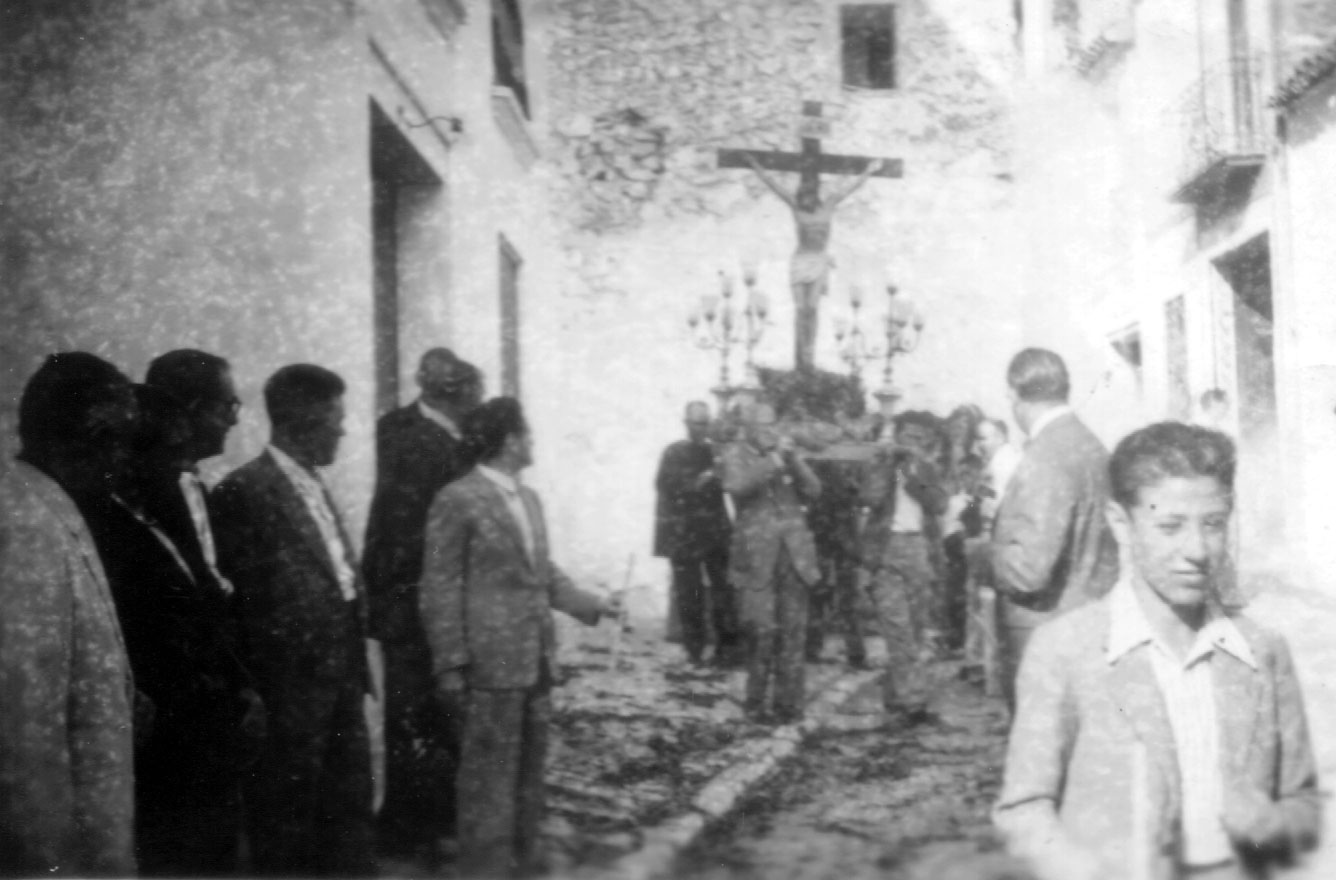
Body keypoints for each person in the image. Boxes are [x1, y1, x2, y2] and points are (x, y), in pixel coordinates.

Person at [995, 422, 1321, 880]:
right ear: (1120, 524)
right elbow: (1024, 810)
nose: (1197, 550)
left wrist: (1270, 824)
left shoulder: (1262, 651)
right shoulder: (1066, 651)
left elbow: (1304, 802)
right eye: (1169, 526)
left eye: (1213, 524)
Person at [419, 397, 615, 877]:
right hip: (489, 666)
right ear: (509, 441)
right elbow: (439, 586)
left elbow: (541, 572)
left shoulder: (529, 499)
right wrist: (450, 663)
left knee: (529, 781)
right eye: (527, 434)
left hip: (535, 661)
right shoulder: (457, 498)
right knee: (487, 784)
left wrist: (591, 604)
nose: (532, 442)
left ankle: (525, 867)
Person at [76, 380, 264, 876]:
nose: (182, 460)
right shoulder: (111, 526)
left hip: (206, 719)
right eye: (170, 448)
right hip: (173, 729)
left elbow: (205, 607)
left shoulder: (160, 516)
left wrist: (236, 688)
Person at [211, 364, 375, 876]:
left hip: (343, 682)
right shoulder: (244, 492)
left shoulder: (316, 485)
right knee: (286, 826)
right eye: (335, 417)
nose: (343, 429)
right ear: (303, 416)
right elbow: (238, 609)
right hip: (290, 696)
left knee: (348, 816)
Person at [0, 352, 138, 876]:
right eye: (118, 440)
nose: (126, 458)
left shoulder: (52, 505)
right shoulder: (27, 524)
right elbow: (25, 725)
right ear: (81, 437)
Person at [362, 348, 482, 858]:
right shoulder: (414, 438)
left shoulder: (440, 436)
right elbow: (413, 529)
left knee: (434, 710)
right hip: (412, 592)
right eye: (473, 394)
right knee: (415, 711)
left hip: (427, 589)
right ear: (452, 392)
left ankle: (431, 817)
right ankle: (410, 828)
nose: (478, 404)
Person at [991, 349, 1118, 710]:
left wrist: (983, 555)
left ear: (1015, 395)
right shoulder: (1089, 444)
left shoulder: (1045, 455)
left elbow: (1028, 572)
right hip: (1089, 622)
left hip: (1045, 635)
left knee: (1041, 752)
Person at [720, 401, 823, 723]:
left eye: (773, 424)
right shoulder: (733, 454)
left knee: (793, 631)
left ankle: (789, 705)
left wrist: (793, 460)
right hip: (756, 557)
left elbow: (815, 490)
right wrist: (774, 461)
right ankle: (755, 703)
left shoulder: (785, 455)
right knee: (761, 631)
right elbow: (735, 486)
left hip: (794, 556)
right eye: (764, 425)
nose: (771, 431)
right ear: (748, 428)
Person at [744, 155, 885, 371]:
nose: (806, 197)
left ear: (815, 194)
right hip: (800, 261)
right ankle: (802, 353)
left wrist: (869, 171)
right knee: (800, 308)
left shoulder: (828, 205)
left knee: (812, 307)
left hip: (818, 260)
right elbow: (773, 185)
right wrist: (755, 165)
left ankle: (808, 354)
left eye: (810, 193)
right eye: (804, 193)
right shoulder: (796, 208)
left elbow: (851, 188)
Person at [859, 410, 950, 718]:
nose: (913, 443)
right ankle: (912, 699)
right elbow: (869, 499)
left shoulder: (926, 469)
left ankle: (897, 693)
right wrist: (887, 466)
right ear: (896, 438)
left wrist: (914, 479)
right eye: (907, 437)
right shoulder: (881, 464)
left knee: (914, 625)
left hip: (918, 548)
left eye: (918, 438)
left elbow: (940, 504)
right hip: (886, 549)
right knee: (895, 625)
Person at [653, 400, 740, 666]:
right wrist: (700, 481)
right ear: (686, 423)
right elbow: (666, 485)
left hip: (713, 532)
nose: (700, 428)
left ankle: (726, 647)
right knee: (689, 594)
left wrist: (722, 470)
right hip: (684, 534)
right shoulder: (673, 452)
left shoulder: (716, 452)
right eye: (696, 423)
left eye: (705, 423)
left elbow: (731, 484)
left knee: (724, 590)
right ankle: (694, 649)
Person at [804, 455, 868, 668]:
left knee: (842, 599)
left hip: (838, 540)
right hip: (823, 538)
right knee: (819, 595)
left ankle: (854, 652)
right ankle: (815, 649)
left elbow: (858, 497)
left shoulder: (847, 463)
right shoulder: (815, 463)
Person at [974, 417, 1021, 529]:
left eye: (983, 439)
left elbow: (997, 501)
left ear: (1000, 438)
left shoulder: (1003, 462)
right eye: (977, 439)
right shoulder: (999, 458)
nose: (978, 445)